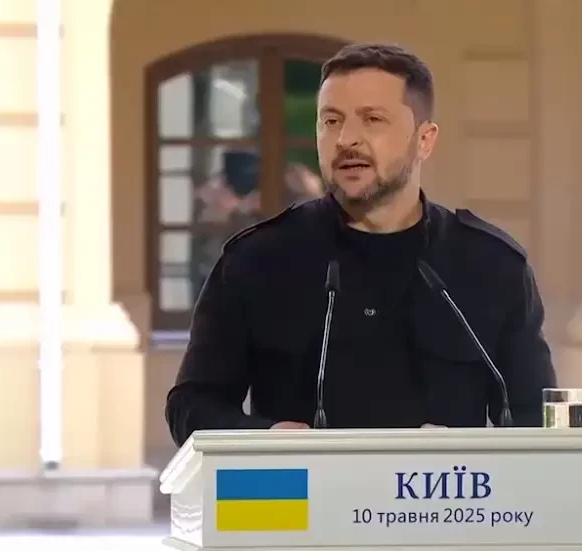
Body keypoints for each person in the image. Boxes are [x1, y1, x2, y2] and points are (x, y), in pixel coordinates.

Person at [165, 43, 557, 446]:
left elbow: (537, 420)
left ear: (424, 140)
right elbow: (191, 406)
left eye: (372, 119)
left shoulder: (492, 266)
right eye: (331, 121)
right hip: (302, 487)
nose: (346, 139)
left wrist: (465, 454)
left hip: (447, 488)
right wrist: (269, 438)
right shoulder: (256, 261)